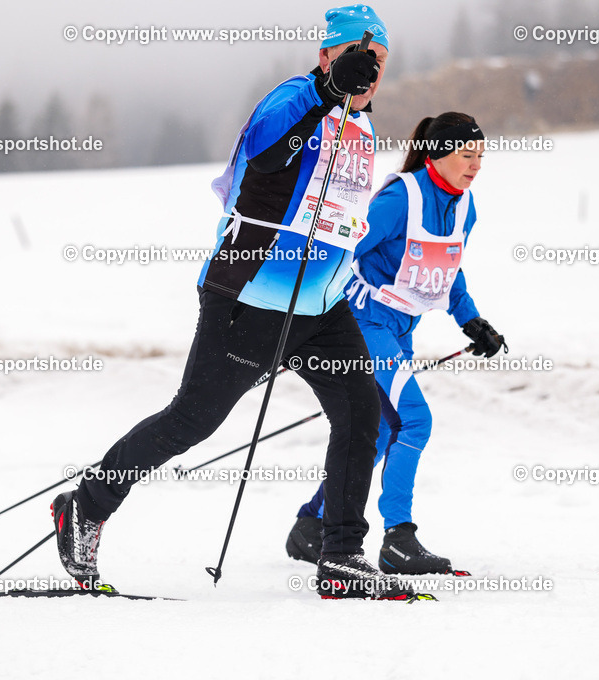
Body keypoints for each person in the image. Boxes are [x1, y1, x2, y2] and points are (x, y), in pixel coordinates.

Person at [51, 5, 414, 600]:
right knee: (192, 419)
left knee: (359, 411)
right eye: (357, 56)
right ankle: (85, 506)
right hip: (250, 296)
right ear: (327, 55)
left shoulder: (365, 126)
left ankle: (342, 554)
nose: (369, 70)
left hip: (321, 306)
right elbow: (266, 156)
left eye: (378, 60)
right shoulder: (294, 98)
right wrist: (325, 93)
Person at [285, 112, 507, 574]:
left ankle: (313, 525)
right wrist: (308, 309)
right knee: (414, 422)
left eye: (481, 156)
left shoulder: (465, 206)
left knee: (381, 430)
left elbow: (449, 263)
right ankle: (398, 539)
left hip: (401, 330)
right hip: (364, 325)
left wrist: (472, 321)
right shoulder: (398, 200)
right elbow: (344, 251)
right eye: (467, 154)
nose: (476, 165)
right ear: (438, 153)